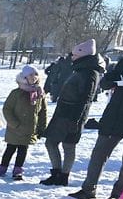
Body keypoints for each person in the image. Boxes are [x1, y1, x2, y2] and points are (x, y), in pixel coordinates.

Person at [69, 32, 123, 199]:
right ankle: (88, 188)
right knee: (99, 154)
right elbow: (106, 81)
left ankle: (119, 193)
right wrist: (110, 81)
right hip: (113, 115)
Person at [40, 39, 104, 186]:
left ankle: (63, 175)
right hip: (63, 112)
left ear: (83, 56)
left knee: (67, 145)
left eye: (75, 55)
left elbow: (85, 99)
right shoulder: (81, 70)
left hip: (72, 115)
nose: (72, 57)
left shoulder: (90, 73)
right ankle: (57, 173)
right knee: (52, 142)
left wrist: (75, 119)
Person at [0, 65, 47, 181]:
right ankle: (2, 168)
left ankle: (17, 171)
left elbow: (42, 112)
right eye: (30, 75)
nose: (34, 77)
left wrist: (41, 127)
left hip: (29, 129)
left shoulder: (39, 93)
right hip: (15, 129)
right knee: (10, 149)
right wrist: (14, 124)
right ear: (24, 77)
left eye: (36, 75)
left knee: (23, 150)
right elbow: (7, 109)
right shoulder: (16, 93)